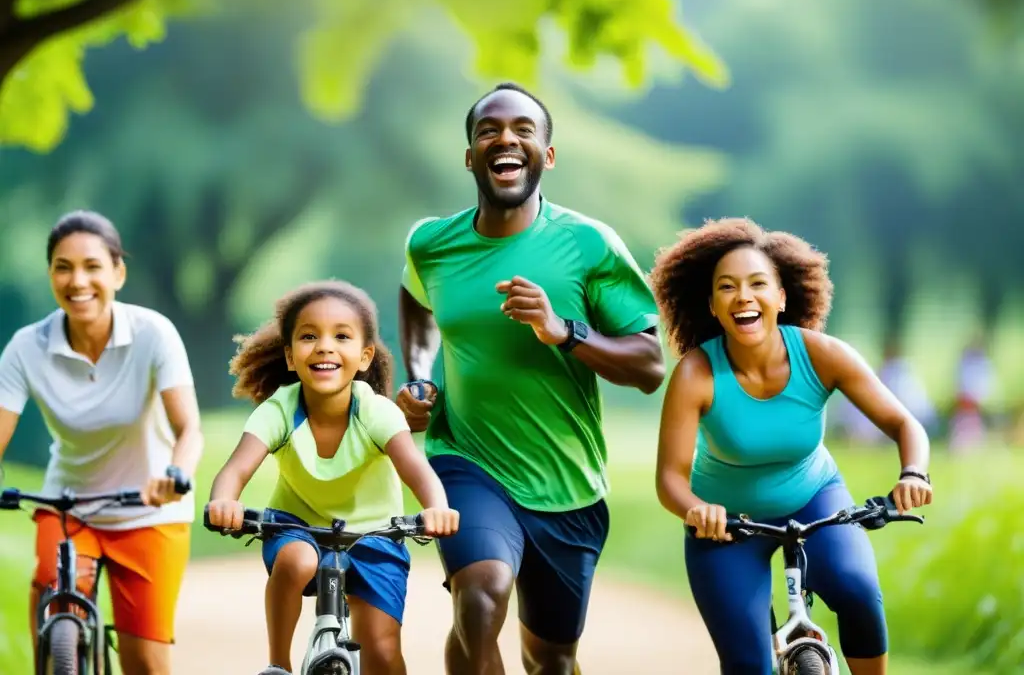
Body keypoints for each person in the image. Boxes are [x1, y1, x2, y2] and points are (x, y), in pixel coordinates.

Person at [395, 82, 666, 675]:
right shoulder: (431, 244)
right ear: (470, 156)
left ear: (547, 153)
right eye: (488, 130)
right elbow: (416, 303)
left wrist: (563, 330)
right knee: (481, 594)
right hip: (465, 458)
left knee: (552, 659)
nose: (505, 139)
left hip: (567, 482)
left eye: (524, 129)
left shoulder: (588, 244)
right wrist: (420, 379)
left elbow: (649, 367)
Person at [649, 217, 933, 675]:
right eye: (727, 288)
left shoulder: (821, 354)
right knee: (747, 662)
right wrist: (696, 510)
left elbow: (904, 423)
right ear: (713, 306)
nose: (743, 296)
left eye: (758, 283)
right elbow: (669, 479)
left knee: (857, 587)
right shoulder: (696, 374)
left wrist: (913, 473)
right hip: (726, 525)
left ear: (781, 298)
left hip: (814, 497)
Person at [206, 280, 460, 675]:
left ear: (364, 356)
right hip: (296, 527)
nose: (324, 346)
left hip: (377, 535)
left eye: (341, 336)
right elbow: (236, 469)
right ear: (290, 357)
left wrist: (437, 508)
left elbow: (417, 470)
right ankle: (279, 663)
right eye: (309, 337)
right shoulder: (280, 409)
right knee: (296, 559)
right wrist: (225, 501)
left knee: (382, 649)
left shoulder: (376, 411)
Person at [0, 210, 203, 675]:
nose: (78, 281)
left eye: (92, 266)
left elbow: (188, 427)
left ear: (118, 273)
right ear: (51, 273)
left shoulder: (153, 333)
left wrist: (177, 475)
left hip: (150, 510)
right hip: (68, 505)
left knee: (146, 664)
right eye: (63, 267)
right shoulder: (26, 347)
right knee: (53, 612)